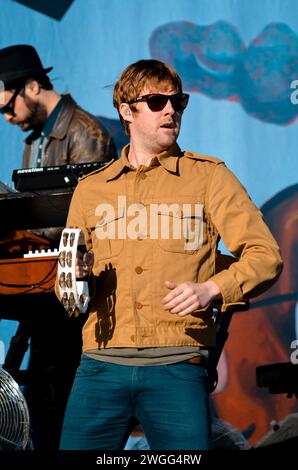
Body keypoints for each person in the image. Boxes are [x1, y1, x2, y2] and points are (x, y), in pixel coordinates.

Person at [57, 59, 283, 450]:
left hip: (178, 365)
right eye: (157, 101)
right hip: (101, 365)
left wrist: (211, 289)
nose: (170, 110)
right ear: (127, 111)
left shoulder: (209, 177)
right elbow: (66, 293)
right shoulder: (91, 190)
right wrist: (76, 278)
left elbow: (266, 255)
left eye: (177, 101)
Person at [0, 44, 116, 449]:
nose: (6, 116)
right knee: (41, 391)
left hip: (77, 286)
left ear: (32, 86)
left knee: (61, 388)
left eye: (7, 106)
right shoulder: (34, 142)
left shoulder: (86, 132)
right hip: (44, 285)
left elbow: (88, 220)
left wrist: (20, 222)